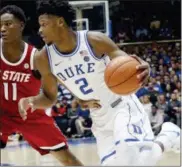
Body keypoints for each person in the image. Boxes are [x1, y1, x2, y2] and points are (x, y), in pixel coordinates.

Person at [19, 0, 180, 166]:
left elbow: (130, 64)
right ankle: (168, 137)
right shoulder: (43, 58)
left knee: (130, 159)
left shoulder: (94, 40)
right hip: (99, 118)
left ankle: (166, 138)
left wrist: (142, 66)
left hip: (121, 107)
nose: (39, 30)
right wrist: (31, 101)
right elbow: (49, 97)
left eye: (44, 24)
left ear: (60, 22)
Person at [0, 5, 83, 166]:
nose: (3, 28)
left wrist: (81, 98)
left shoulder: (37, 57)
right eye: (0, 25)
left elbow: (50, 97)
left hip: (30, 115)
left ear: (21, 25)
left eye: (8, 24)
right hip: (2, 113)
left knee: (66, 158)